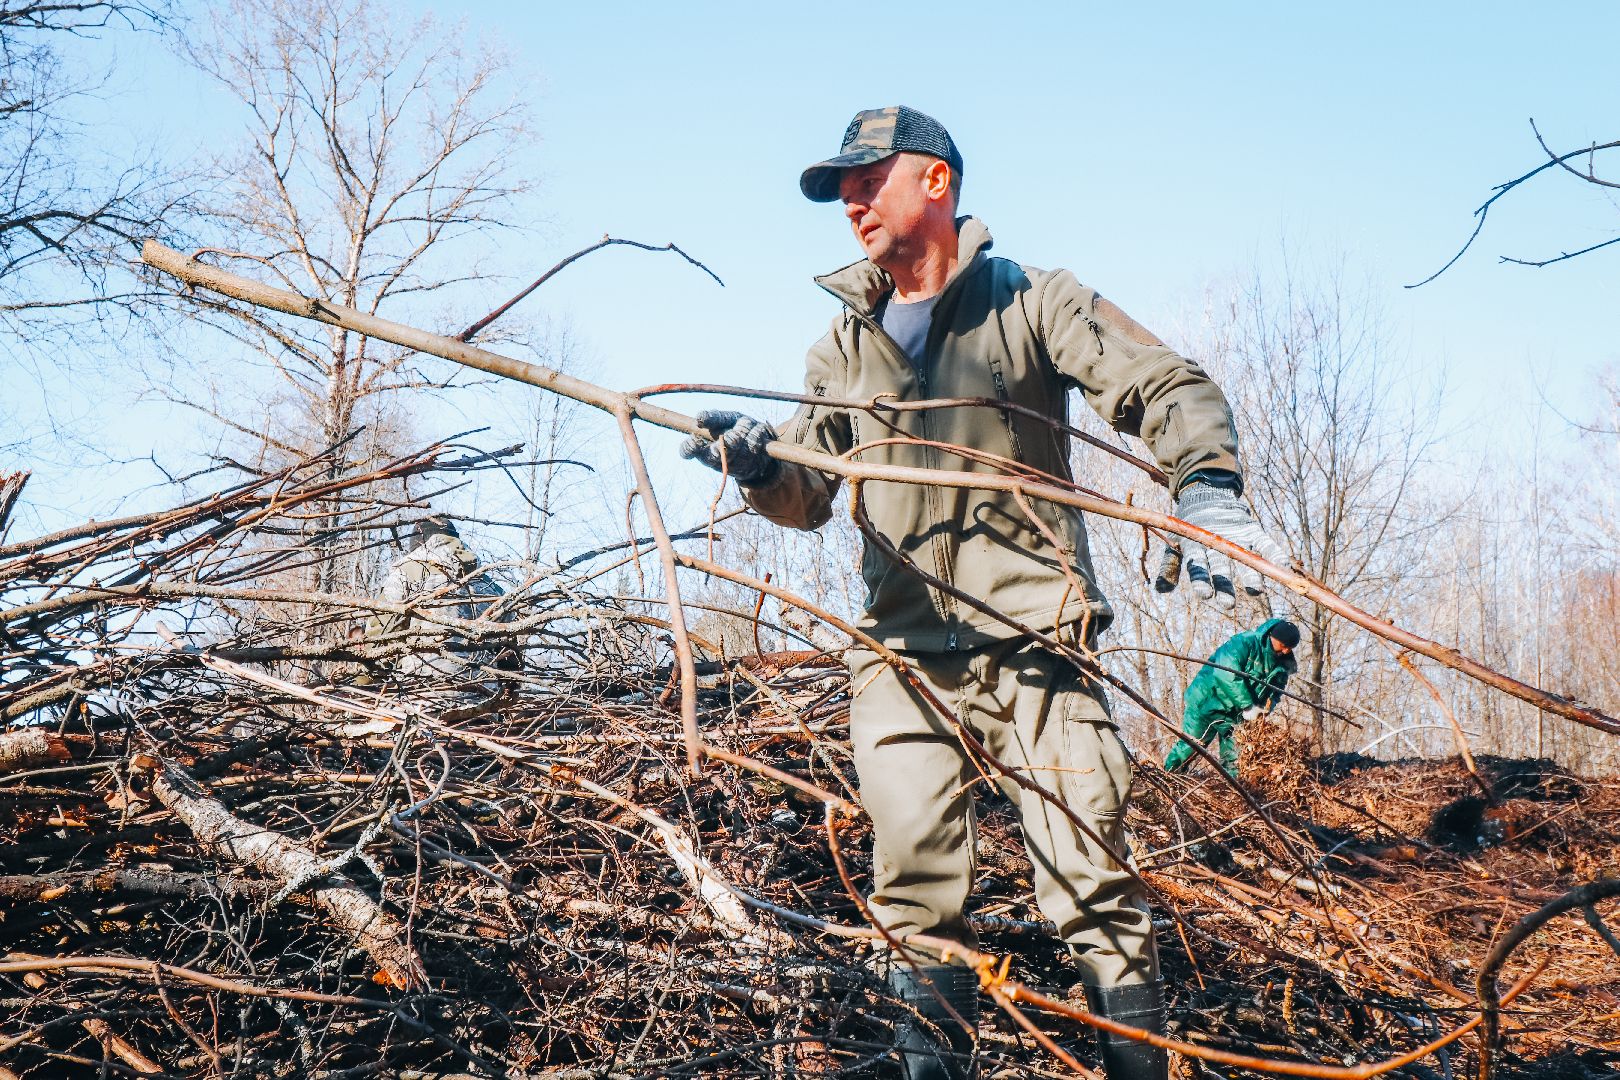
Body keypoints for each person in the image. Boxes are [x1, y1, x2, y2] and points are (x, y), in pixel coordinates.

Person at [681, 106, 1289, 1080]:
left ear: (936, 182)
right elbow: (809, 498)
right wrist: (757, 470)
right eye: (840, 188)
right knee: (915, 898)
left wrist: (1206, 484)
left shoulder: (1031, 304)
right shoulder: (841, 349)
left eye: (866, 178)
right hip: (902, 661)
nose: (849, 201)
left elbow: (1166, 384)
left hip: (1038, 645)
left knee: (1092, 887)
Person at [364, 515, 509, 685]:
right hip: (484, 698)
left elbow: (380, 639)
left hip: (422, 696)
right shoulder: (490, 586)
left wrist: (363, 683)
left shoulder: (406, 574)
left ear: (418, 544)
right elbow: (509, 654)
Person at [1164, 618, 1300, 776]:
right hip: (1207, 701)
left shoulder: (1283, 667)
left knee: (1236, 759)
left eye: (1290, 648)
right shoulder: (1245, 643)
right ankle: (1166, 779)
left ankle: (1233, 794)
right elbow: (1226, 673)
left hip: (1236, 716)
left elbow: (1275, 694)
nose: (1286, 651)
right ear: (1272, 636)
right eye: (1283, 646)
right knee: (1191, 746)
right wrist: (1248, 705)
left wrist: (1261, 712)